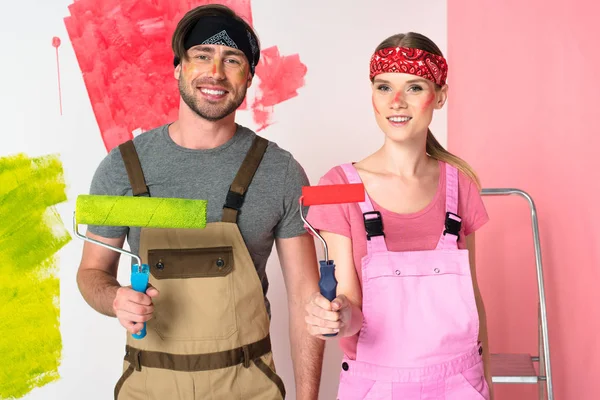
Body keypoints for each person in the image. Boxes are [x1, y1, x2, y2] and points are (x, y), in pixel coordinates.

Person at [76, 4, 324, 399]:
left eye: (233, 60)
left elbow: (304, 299)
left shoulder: (279, 171)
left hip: (248, 387)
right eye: (202, 56)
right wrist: (115, 298)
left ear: (249, 77)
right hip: (149, 388)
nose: (216, 73)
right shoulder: (122, 168)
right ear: (178, 67)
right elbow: (91, 273)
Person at [304, 32, 494, 400]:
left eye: (414, 87)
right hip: (376, 388)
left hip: (462, 384)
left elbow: (473, 295)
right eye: (383, 86)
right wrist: (339, 316)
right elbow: (350, 303)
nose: (396, 102)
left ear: (439, 96)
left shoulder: (461, 184)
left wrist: (485, 379)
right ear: (372, 94)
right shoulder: (335, 186)